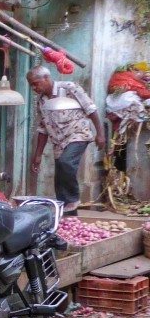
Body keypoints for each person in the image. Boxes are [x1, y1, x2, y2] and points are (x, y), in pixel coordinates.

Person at [26, 66, 105, 215]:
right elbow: (43, 129)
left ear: (46, 78)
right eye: (31, 85)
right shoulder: (41, 101)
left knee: (65, 162)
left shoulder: (70, 88)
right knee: (60, 179)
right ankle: (68, 217)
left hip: (78, 134)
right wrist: (38, 155)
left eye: (36, 83)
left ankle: (74, 198)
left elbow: (91, 109)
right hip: (58, 142)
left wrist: (100, 134)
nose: (34, 87)